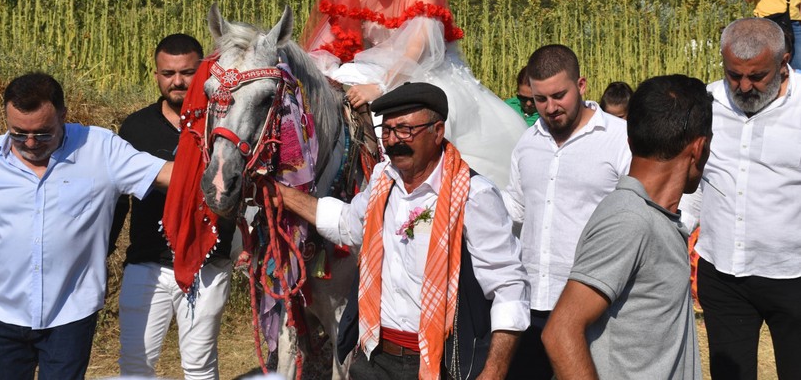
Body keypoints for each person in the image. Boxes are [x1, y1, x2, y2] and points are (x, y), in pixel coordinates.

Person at [274, 82, 531, 380]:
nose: (395, 141)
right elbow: (348, 224)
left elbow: (509, 287)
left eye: (406, 131)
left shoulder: (474, 195)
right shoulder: (384, 180)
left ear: (437, 132)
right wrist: (280, 193)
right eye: (389, 131)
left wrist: (495, 371)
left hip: (441, 363)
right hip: (373, 357)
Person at [0, 72, 172, 380]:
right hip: (1, 314)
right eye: (17, 134)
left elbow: (168, 175)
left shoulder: (100, 148)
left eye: (42, 134)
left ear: (63, 115)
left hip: (71, 315)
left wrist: (232, 161)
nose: (29, 143)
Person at [301, 0, 526, 189]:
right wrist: (316, 70)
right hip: (373, 65)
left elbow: (415, 52)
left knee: (430, 116)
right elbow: (330, 41)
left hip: (424, 70)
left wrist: (380, 87)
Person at [542, 74, 710, 380]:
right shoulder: (630, 220)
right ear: (699, 149)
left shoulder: (653, 217)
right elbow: (560, 332)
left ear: (630, 140)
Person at [679, 17, 801, 379]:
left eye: (757, 76)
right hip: (723, 275)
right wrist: (679, 229)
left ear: (784, 63)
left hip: (793, 275)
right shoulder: (705, 102)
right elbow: (694, 181)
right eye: (734, 75)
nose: (744, 86)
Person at [109, 34, 235, 380]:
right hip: (146, 263)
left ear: (205, 73)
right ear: (156, 75)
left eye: (187, 72)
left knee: (199, 368)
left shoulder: (225, 126)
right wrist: (102, 253)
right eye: (168, 73)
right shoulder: (136, 128)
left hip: (207, 262)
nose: (177, 81)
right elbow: (118, 197)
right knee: (135, 366)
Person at [502, 44, 631, 380]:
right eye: (540, 99)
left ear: (582, 85)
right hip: (531, 301)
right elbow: (514, 208)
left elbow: (641, 212)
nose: (550, 107)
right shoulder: (527, 143)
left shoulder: (619, 140)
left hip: (595, 306)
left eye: (559, 95)